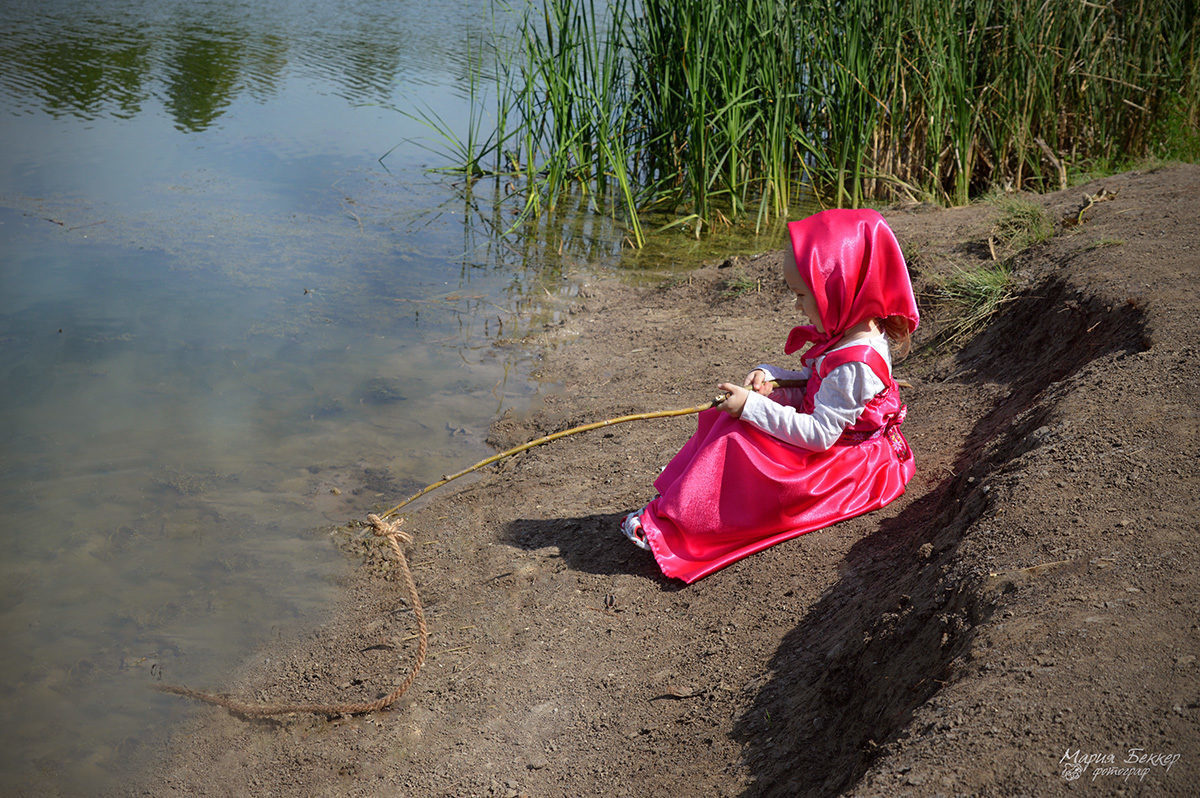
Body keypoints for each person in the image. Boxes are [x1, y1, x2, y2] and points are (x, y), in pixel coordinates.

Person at [621, 208, 919, 583]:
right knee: (729, 418)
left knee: (741, 439)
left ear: (839, 291)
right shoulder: (850, 335)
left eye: (801, 295)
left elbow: (820, 434)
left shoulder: (855, 364)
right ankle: (681, 504)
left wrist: (752, 407)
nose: (796, 306)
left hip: (845, 462)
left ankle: (682, 529)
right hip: (831, 436)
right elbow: (817, 387)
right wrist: (773, 379)